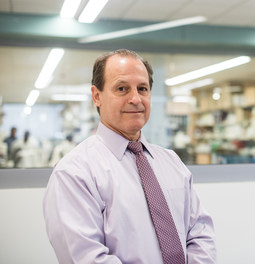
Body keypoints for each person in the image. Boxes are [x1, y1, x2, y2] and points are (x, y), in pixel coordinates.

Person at [43, 49, 217, 264]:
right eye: (122, 88)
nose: (135, 99)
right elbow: (86, 257)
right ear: (97, 96)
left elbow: (200, 232)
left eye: (142, 89)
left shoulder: (171, 162)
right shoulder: (74, 172)